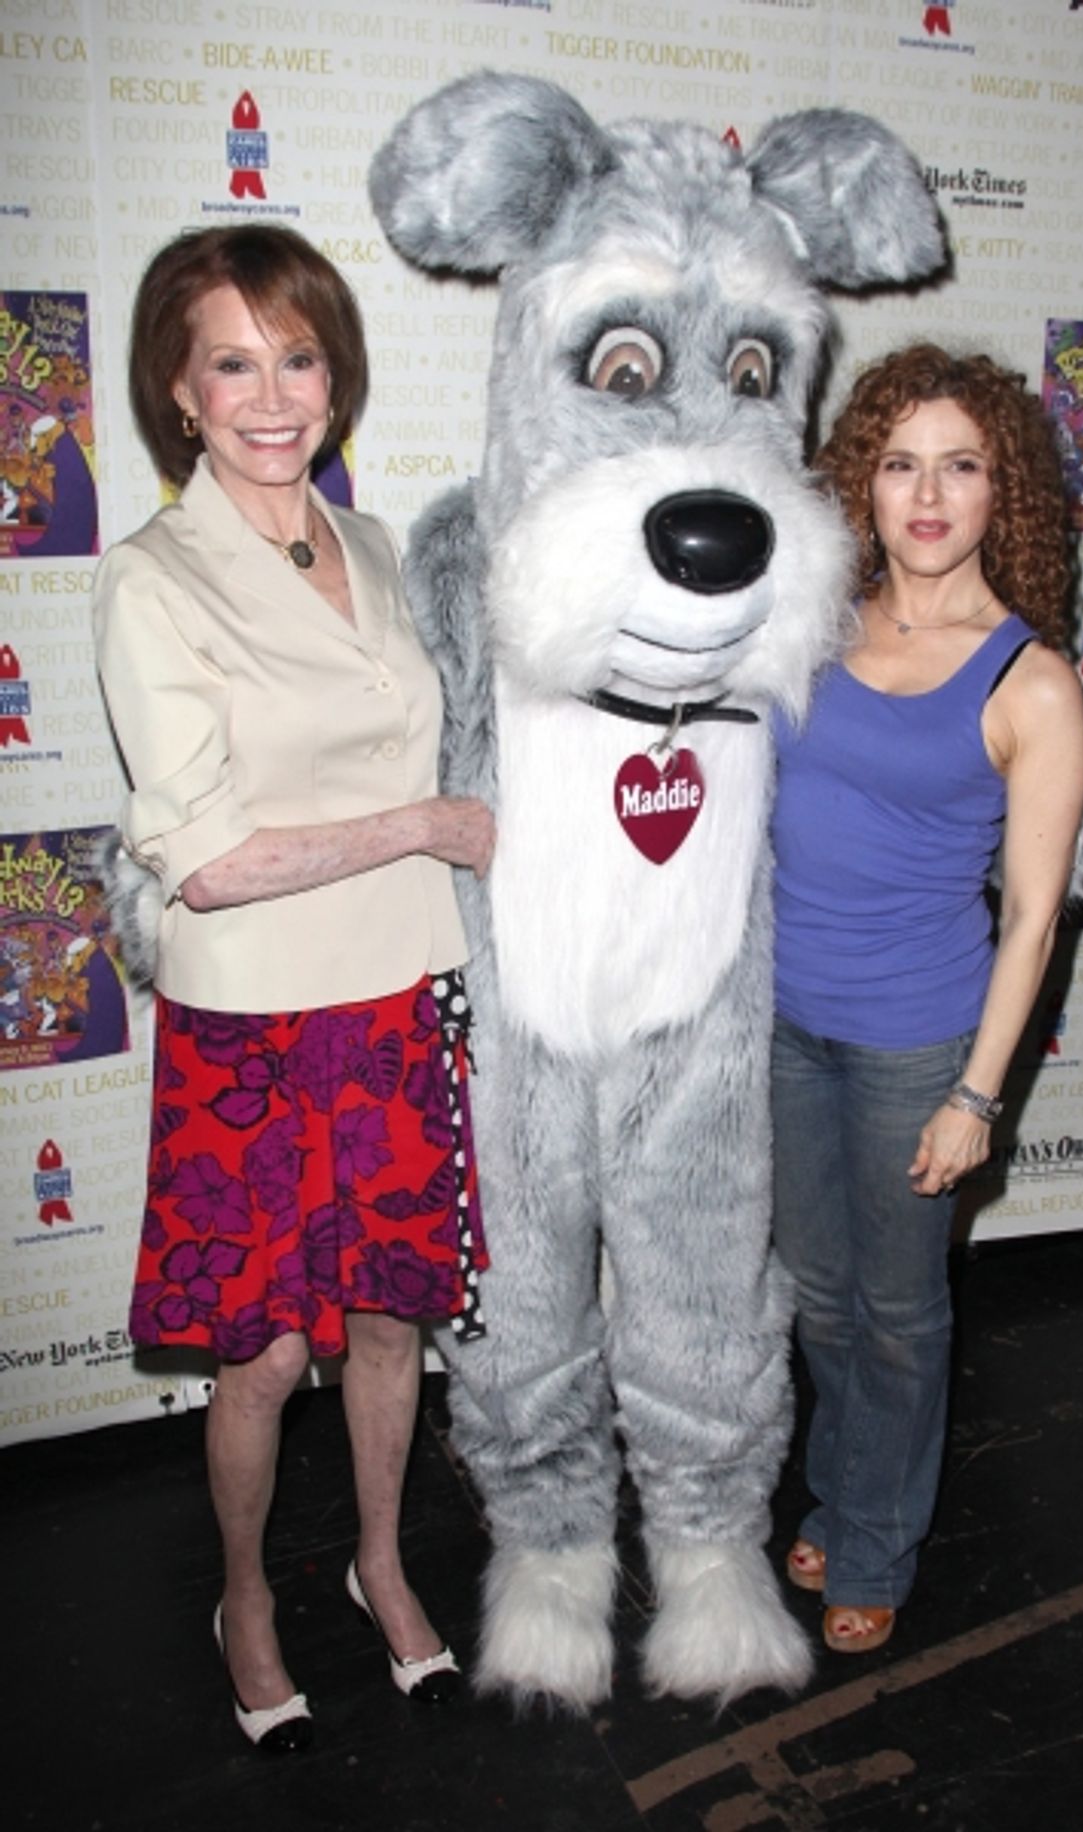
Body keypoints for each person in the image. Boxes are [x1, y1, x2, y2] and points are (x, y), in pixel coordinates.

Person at [92, 225, 495, 1750]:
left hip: (400, 1001)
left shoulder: (376, 549)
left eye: (301, 356)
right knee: (261, 1355)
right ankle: (246, 1595)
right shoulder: (152, 582)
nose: (274, 395)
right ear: (179, 393)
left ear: (337, 374)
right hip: (252, 1021)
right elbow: (200, 859)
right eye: (234, 362)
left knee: (390, 1325)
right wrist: (429, 827)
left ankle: (382, 1563)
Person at [770, 343, 1083, 1656]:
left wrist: (978, 1096)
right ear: (865, 482)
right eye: (901, 462)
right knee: (820, 1295)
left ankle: (878, 1541)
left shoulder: (1033, 685)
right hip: (784, 1022)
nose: (926, 492)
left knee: (899, 1317)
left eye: (959, 465)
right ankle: (848, 1488)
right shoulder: (812, 622)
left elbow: (1030, 920)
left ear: (996, 490)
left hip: (916, 1041)